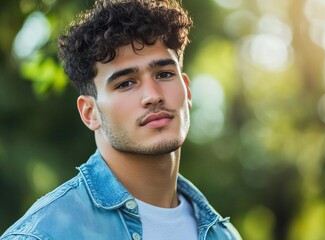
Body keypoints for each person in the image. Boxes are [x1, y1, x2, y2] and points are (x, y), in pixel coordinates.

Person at [1, 0, 241, 239]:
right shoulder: (44, 234)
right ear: (89, 113)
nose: (153, 96)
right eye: (125, 83)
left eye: (165, 74)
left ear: (187, 91)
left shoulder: (223, 234)